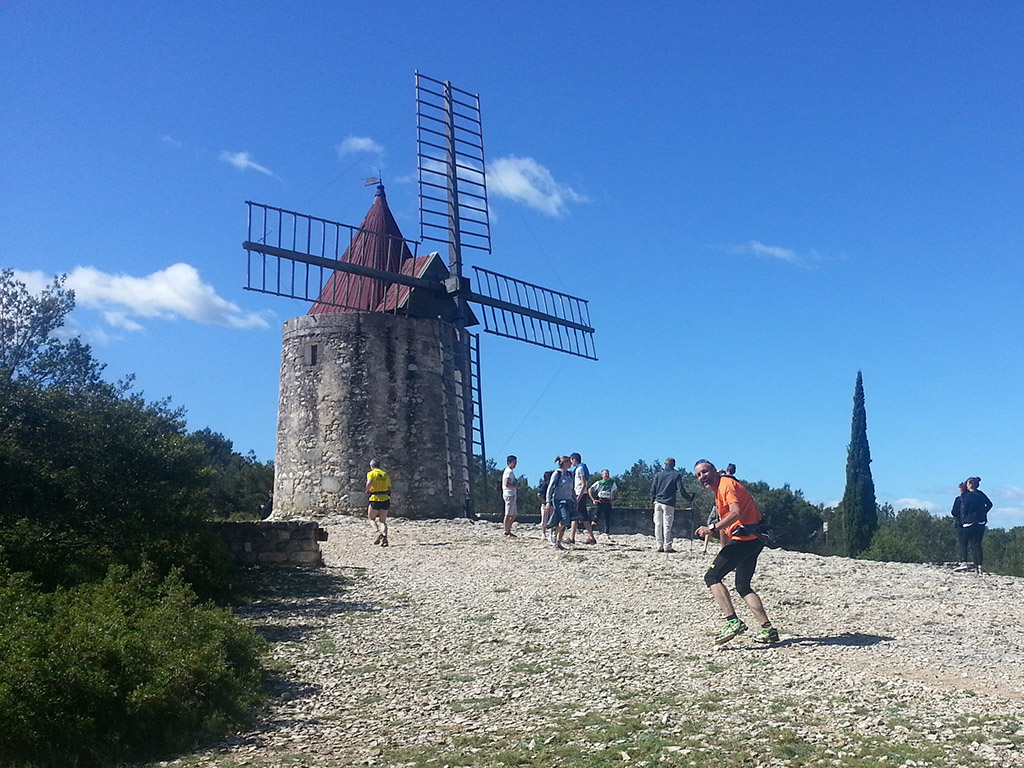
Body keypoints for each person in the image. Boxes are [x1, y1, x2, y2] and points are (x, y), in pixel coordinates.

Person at [693, 459, 779, 645]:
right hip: (754, 540)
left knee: (712, 577)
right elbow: (729, 525)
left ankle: (733, 622)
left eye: (705, 472)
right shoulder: (720, 489)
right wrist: (724, 547)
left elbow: (736, 513)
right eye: (699, 475)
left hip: (744, 540)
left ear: (715, 470)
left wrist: (711, 528)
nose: (702, 477)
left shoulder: (726, 485)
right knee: (743, 586)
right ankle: (768, 630)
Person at [649, 458, 693, 553]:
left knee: (658, 524)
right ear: (674, 465)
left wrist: (652, 500)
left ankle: (659, 545)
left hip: (658, 501)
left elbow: (653, 489)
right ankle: (667, 546)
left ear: (665, 464)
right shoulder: (676, 475)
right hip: (668, 503)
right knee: (667, 525)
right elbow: (681, 489)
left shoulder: (658, 475)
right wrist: (690, 498)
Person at [956, 476, 993, 573]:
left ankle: (964, 562)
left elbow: (963, 507)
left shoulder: (966, 495)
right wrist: (983, 512)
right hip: (980, 522)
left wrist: (964, 516)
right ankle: (979, 566)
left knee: (964, 543)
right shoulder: (980, 494)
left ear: (969, 485)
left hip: (968, 522)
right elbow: (989, 504)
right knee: (977, 544)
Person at [546, 456, 576, 550]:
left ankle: (558, 542)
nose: (571, 464)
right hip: (558, 500)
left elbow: (572, 489)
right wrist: (548, 501)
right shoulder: (557, 473)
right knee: (564, 518)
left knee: (566, 522)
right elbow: (550, 487)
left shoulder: (570, 474)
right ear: (565, 463)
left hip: (568, 500)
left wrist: (575, 500)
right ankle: (555, 532)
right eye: (569, 462)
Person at [703, 463, 734, 553]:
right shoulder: (734, 480)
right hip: (727, 507)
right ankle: (726, 547)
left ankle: (705, 547)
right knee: (726, 526)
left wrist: (718, 472)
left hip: (718, 506)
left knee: (712, 524)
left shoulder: (722, 479)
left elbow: (711, 477)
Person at [567, 452, 597, 545]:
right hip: (581, 494)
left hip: (579, 494)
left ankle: (572, 538)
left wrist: (578, 498)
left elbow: (583, 484)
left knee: (574, 516)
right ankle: (592, 537)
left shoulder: (579, 469)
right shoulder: (581, 468)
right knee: (584, 517)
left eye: (571, 460)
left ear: (574, 459)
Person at [365, 459, 392, 547]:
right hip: (385, 498)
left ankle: (377, 533)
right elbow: (389, 488)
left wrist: (368, 489)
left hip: (375, 498)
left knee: (371, 518)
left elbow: (369, 482)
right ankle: (385, 538)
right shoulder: (385, 474)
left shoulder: (371, 473)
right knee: (382, 521)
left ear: (371, 466)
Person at [589, 469, 619, 542]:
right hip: (600, 501)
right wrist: (593, 499)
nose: (606, 475)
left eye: (607, 473)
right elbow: (590, 489)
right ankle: (590, 531)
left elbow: (616, 491)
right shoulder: (599, 483)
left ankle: (607, 533)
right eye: (605, 474)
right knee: (596, 517)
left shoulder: (612, 483)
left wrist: (614, 500)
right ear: (602, 475)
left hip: (608, 502)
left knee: (607, 518)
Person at [501, 455, 521, 537]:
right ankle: (506, 531)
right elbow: (507, 484)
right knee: (508, 513)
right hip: (509, 494)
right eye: (514, 463)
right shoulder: (509, 472)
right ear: (509, 462)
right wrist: (516, 487)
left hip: (512, 494)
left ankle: (508, 529)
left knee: (514, 514)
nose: (515, 464)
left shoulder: (509, 471)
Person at [950, 481, 967, 563]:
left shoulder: (958, 499)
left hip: (960, 523)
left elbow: (953, 512)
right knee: (975, 544)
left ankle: (963, 560)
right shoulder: (975, 498)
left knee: (963, 544)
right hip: (972, 523)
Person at [538, 469, 555, 541]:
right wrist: (545, 502)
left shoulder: (553, 486)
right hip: (545, 505)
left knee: (551, 520)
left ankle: (550, 534)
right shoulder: (544, 485)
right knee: (544, 520)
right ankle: (544, 533)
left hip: (552, 505)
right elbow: (539, 495)